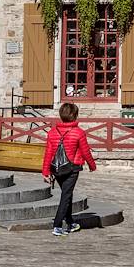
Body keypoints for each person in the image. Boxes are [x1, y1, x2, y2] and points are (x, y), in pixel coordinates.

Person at [42, 101, 97, 237]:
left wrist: (46, 171)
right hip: (72, 168)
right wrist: (92, 165)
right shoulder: (79, 133)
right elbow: (85, 151)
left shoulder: (52, 132)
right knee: (66, 195)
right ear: (75, 115)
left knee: (68, 194)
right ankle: (57, 225)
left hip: (56, 168)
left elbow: (48, 153)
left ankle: (70, 222)